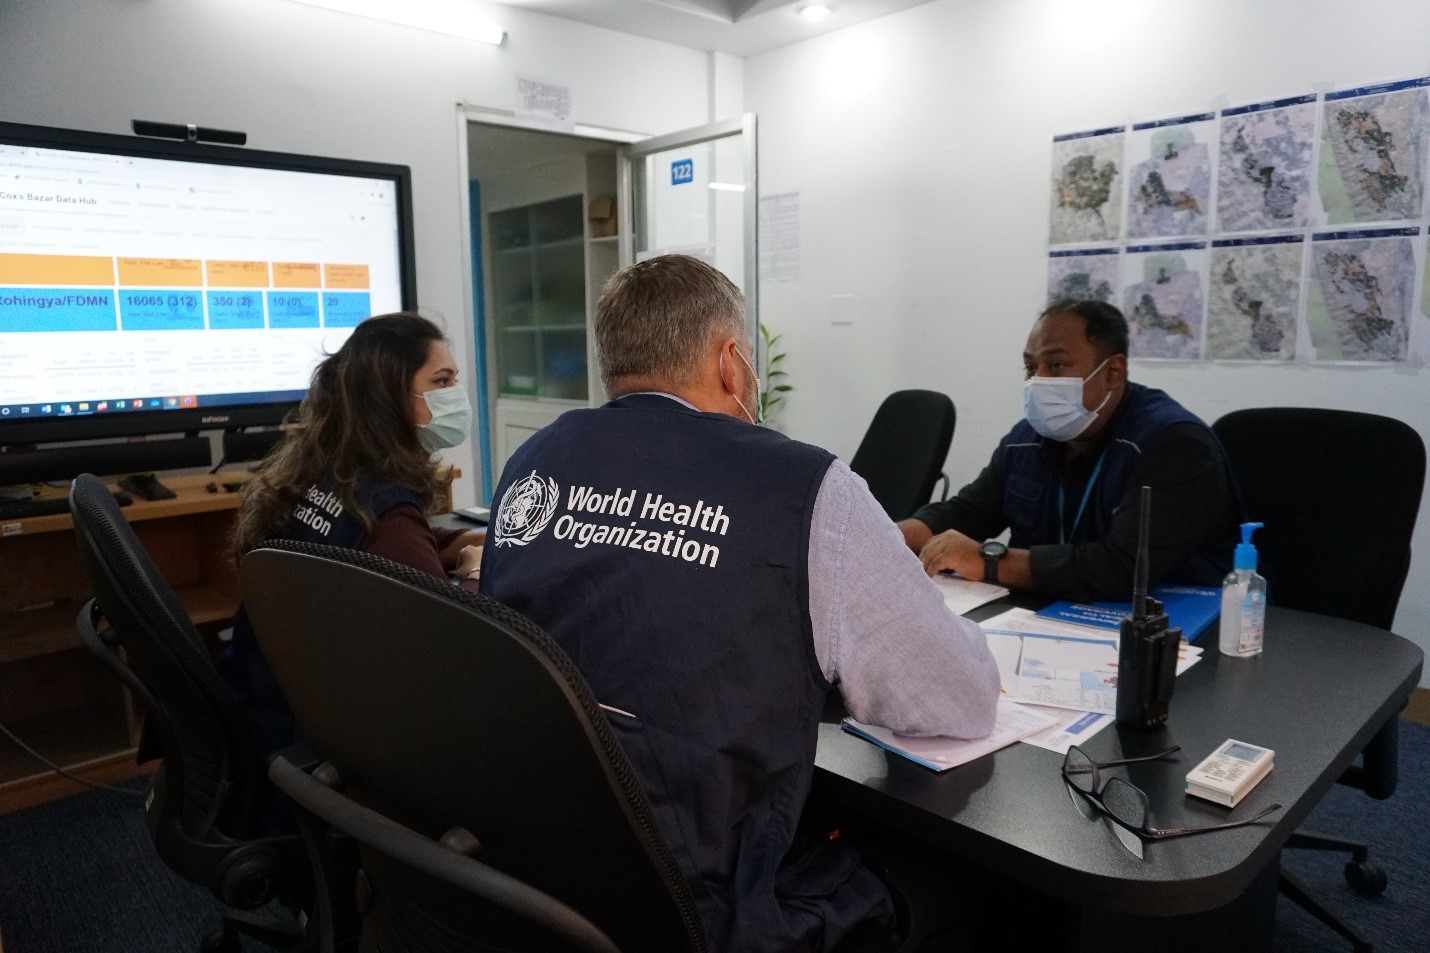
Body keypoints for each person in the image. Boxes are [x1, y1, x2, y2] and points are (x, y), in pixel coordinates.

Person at [481, 255, 1001, 953]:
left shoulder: (535, 459)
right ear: (732, 363)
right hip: (703, 903)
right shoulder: (804, 487)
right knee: (967, 880)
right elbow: (956, 695)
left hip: (543, 868)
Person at [221, 312, 485, 757]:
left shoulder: (320, 471)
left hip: (270, 710)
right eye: (442, 382)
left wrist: (445, 543)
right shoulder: (388, 511)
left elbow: (362, 544)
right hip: (339, 740)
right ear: (389, 394)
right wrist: (475, 572)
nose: (456, 395)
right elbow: (453, 649)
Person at [899, 299, 1239, 602]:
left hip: (1174, 629)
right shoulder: (1026, 438)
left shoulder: (1175, 444)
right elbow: (967, 513)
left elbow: (1122, 569)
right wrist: (883, 536)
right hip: (1054, 614)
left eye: (1056, 366)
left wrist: (988, 561)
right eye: (1031, 368)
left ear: (1113, 372)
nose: (1039, 381)